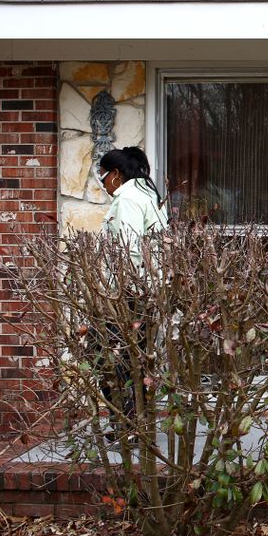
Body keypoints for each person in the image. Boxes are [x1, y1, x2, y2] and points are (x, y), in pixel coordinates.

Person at [97, 146, 168, 431]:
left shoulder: (127, 199)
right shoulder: (148, 196)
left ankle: (126, 427)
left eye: (102, 175)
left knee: (113, 361)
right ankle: (138, 425)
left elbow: (129, 250)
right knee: (138, 363)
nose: (101, 182)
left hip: (130, 296)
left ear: (116, 174)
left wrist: (118, 294)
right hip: (147, 294)